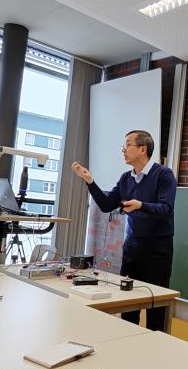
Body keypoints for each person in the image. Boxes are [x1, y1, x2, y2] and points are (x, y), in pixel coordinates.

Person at [71, 130, 177, 331]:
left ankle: (156, 343)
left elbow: (166, 209)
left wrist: (140, 205)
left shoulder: (163, 174)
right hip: (132, 248)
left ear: (143, 149)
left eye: (128, 144)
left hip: (157, 250)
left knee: (156, 305)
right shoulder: (126, 178)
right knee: (128, 302)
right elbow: (106, 204)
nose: (123, 149)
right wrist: (89, 181)